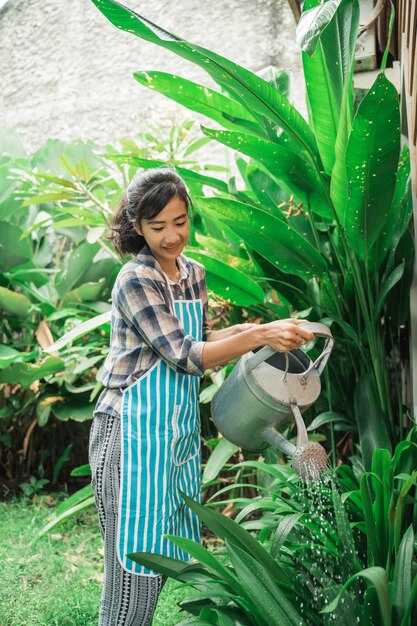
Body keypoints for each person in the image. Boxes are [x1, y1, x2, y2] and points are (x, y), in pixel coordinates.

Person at [88, 167, 315, 626]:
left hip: (171, 436)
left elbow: (204, 336)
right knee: (131, 569)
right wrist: (260, 335)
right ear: (137, 226)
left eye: (180, 221)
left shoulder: (193, 273)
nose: (172, 236)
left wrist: (264, 332)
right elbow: (185, 354)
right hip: (129, 435)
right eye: (158, 227)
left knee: (165, 555)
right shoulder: (136, 280)